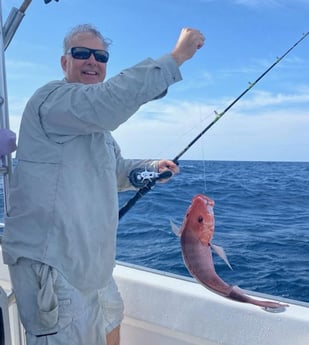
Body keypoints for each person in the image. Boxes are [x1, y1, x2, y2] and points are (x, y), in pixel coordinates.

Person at [2, 24, 205, 345]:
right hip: (55, 268)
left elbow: (113, 171)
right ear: (64, 62)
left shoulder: (95, 129)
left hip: (92, 266)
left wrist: (147, 169)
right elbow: (111, 100)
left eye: (100, 56)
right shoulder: (51, 100)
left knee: (112, 315)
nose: (92, 61)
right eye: (81, 53)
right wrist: (176, 57)